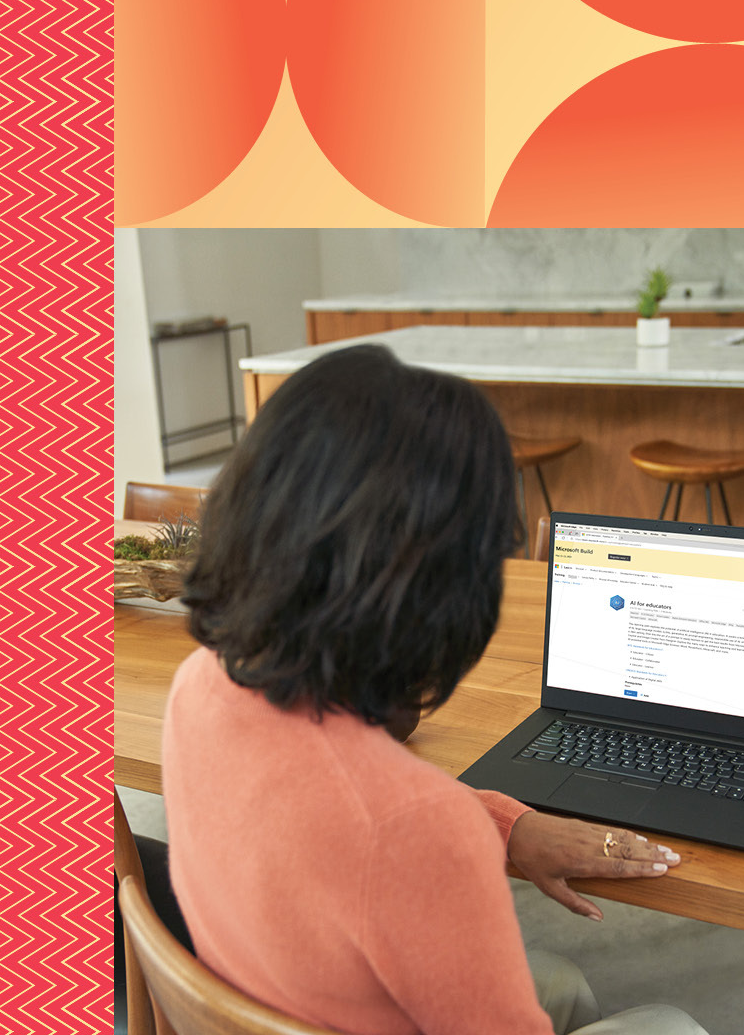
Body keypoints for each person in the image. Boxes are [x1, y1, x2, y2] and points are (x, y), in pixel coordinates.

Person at [163, 345, 706, 1035]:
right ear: (446, 586)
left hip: (277, 993)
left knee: (562, 987)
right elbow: (395, 829)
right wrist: (463, 830)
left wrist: (508, 826)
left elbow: (341, 819)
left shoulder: (197, 687)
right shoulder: (418, 830)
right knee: (672, 1024)